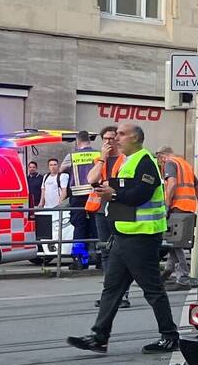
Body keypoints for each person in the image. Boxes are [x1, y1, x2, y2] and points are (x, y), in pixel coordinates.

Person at [66, 122, 179, 355]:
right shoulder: (126, 161)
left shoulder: (145, 160)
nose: (116, 138)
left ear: (135, 138)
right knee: (112, 287)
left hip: (142, 236)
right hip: (124, 234)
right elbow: (102, 184)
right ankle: (99, 337)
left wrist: (114, 193)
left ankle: (169, 336)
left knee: (152, 288)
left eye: (121, 134)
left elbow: (140, 194)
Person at [84, 126, 131, 308]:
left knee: (121, 252)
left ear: (118, 139)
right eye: (105, 138)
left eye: (112, 138)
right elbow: (91, 179)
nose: (108, 141)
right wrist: (102, 158)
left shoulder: (125, 159)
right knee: (105, 251)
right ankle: (109, 294)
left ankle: (123, 295)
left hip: (119, 209)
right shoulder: (99, 159)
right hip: (100, 209)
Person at [157, 146, 198, 290]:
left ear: (162, 156)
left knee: (175, 242)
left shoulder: (170, 163)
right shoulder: (186, 165)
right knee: (176, 242)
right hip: (189, 207)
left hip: (177, 207)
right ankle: (168, 271)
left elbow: (172, 184)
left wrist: (167, 205)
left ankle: (183, 277)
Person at [60, 131, 100, 269]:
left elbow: (62, 170)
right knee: (97, 225)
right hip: (95, 194)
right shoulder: (98, 154)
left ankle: (80, 260)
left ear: (77, 141)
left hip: (77, 196)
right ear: (89, 140)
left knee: (79, 227)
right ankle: (101, 258)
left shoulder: (72, 156)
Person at [37, 157, 70, 265]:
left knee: (57, 231)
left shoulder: (62, 176)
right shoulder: (46, 177)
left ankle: (56, 251)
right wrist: (41, 204)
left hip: (57, 209)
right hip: (47, 208)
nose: (53, 167)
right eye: (51, 165)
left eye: (55, 164)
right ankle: (45, 251)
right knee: (47, 233)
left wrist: (59, 205)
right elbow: (43, 191)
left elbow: (64, 191)